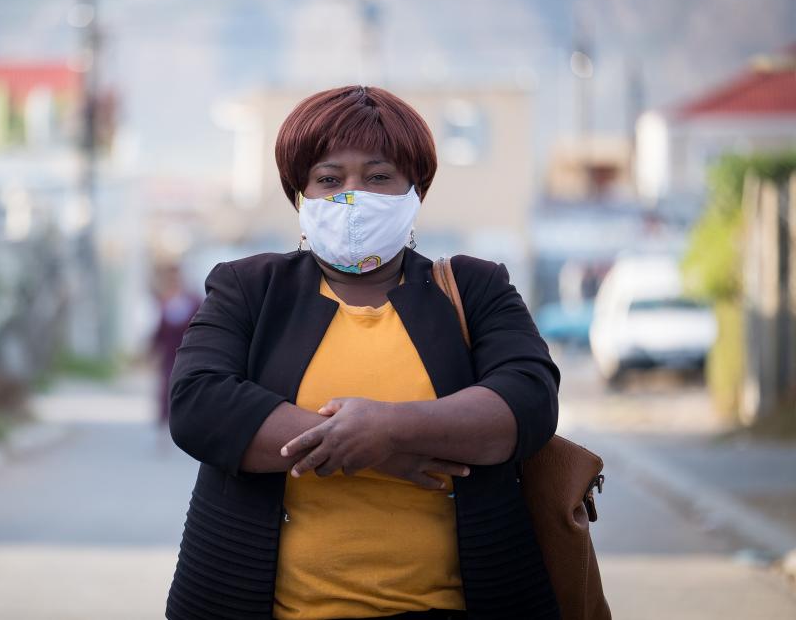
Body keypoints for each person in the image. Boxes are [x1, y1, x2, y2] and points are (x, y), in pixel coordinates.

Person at [166, 86, 561, 620]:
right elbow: (199, 404)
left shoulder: (474, 288)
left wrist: (389, 428)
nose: (353, 196)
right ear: (299, 195)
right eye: (329, 179)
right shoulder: (250, 288)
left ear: (415, 190)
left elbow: (527, 401)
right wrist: (370, 447)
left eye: (378, 177)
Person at [149, 263, 201, 429]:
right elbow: (159, 330)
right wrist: (153, 352)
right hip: (170, 355)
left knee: (188, 387)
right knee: (167, 387)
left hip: (190, 353)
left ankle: (189, 421)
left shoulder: (194, 301)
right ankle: (168, 423)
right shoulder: (164, 302)